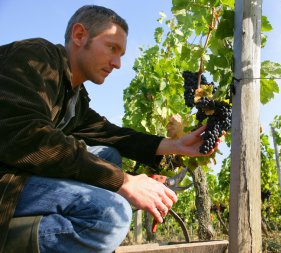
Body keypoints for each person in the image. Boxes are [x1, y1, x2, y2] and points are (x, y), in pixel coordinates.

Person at [0, 5, 219, 253]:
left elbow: (112, 134)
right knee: (110, 216)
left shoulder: (74, 97)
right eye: (112, 48)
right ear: (80, 35)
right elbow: (29, 137)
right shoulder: (34, 57)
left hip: (19, 173)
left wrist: (175, 145)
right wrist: (123, 182)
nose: (117, 63)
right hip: (7, 181)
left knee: (109, 156)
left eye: (122, 54)